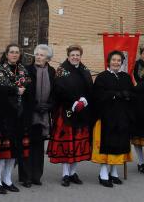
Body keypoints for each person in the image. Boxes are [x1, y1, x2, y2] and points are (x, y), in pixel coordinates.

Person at [0, 43, 30, 194]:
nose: (15, 55)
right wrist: (15, 90)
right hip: (3, 116)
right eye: (12, 52)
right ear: (6, 54)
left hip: (19, 115)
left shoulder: (23, 70)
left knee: (14, 151)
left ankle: (7, 179)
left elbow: (29, 87)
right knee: (2, 153)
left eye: (17, 52)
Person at [48, 45, 93, 187]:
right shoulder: (61, 70)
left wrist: (84, 100)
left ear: (80, 56)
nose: (75, 57)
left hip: (82, 111)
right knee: (67, 144)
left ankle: (73, 173)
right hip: (66, 112)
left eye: (77, 55)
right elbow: (58, 90)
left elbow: (90, 89)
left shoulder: (85, 70)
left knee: (77, 144)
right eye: (72, 55)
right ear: (68, 56)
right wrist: (72, 102)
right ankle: (65, 174)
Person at [91, 50, 135, 187]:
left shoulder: (126, 77)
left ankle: (114, 171)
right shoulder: (102, 77)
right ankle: (103, 173)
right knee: (107, 145)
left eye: (118, 60)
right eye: (113, 60)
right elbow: (97, 95)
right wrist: (115, 94)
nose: (116, 62)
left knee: (119, 144)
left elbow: (132, 94)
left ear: (122, 63)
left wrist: (128, 95)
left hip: (122, 116)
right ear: (108, 62)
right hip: (106, 117)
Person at [19, 44, 56, 187]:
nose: (39, 57)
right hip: (29, 113)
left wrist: (49, 105)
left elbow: (55, 92)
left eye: (42, 55)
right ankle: (26, 177)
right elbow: (24, 92)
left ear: (48, 58)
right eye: (38, 54)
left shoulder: (52, 72)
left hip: (44, 114)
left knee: (39, 147)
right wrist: (35, 105)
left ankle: (36, 176)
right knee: (27, 146)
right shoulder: (26, 70)